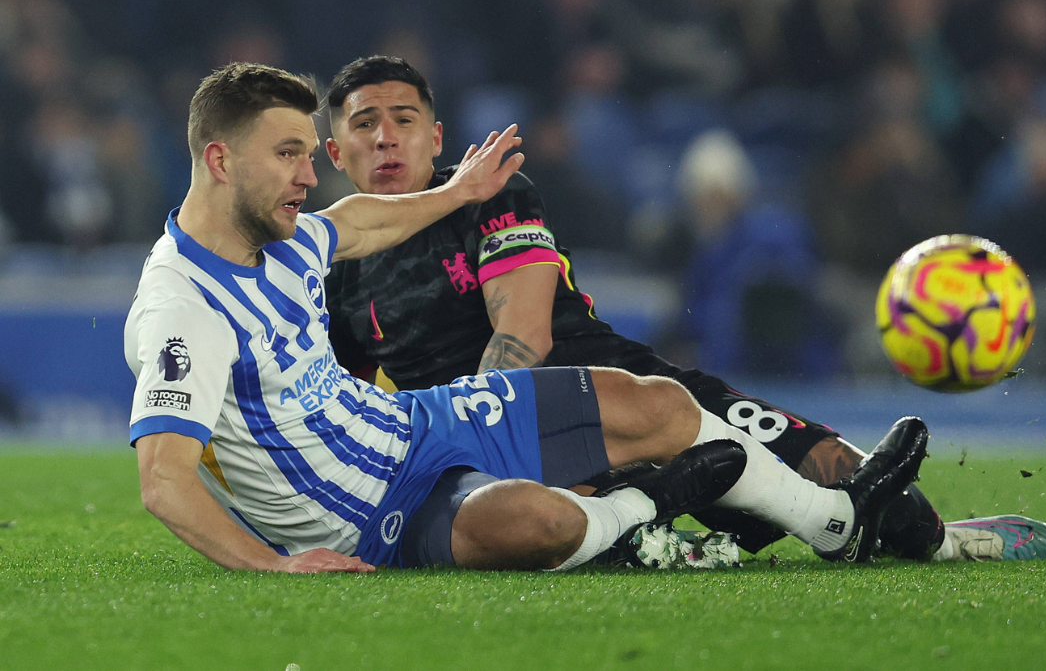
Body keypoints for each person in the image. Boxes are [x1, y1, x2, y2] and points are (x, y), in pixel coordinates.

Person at [126, 61, 934, 574]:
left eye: (309, 153)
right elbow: (163, 481)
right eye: (289, 155)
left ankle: (836, 525)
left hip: (420, 420)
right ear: (219, 160)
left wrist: (457, 193)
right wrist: (271, 567)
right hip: (370, 519)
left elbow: (362, 221)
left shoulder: (291, 238)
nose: (309, 175)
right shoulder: (181, 309)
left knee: (661, 404)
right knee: (538, 518)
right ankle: (640, 513)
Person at [322, 56, 1046, 563]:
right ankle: (657, 532)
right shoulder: (334, 275)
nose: (386, 136)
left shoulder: (492, 194)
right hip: (495, 459)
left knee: (836, 464)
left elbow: (525, 330)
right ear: (336, 152)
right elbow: (345, 405)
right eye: (364, 123)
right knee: (553, 527)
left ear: (436, 136)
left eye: (403, 118)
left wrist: (490, 441)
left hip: (614, 387)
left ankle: (953, 542)